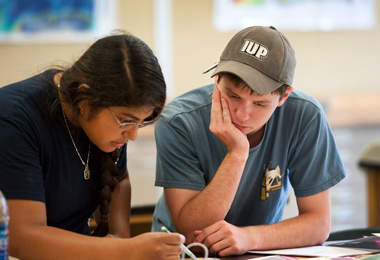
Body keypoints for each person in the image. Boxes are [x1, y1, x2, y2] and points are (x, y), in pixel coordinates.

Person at [151, 26, 346, 256]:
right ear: (216, 78)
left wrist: (249, 238)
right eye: (232, 96)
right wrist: (237, 154)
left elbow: (319, 223)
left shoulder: (306, 115)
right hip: (184, 254)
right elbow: (194, 234)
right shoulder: (178, 121)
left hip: (259, 251)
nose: (242, 115)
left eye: (260, 104)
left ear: (284, 96)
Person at [0, 31, 185, 260]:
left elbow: (118, 176)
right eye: (126, 120)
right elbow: (21, 238)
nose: (133, 134)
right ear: (84, 98)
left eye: (142, 122)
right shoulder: (13, 120)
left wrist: (119, 237)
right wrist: (126, 251)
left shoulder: (110, 121)